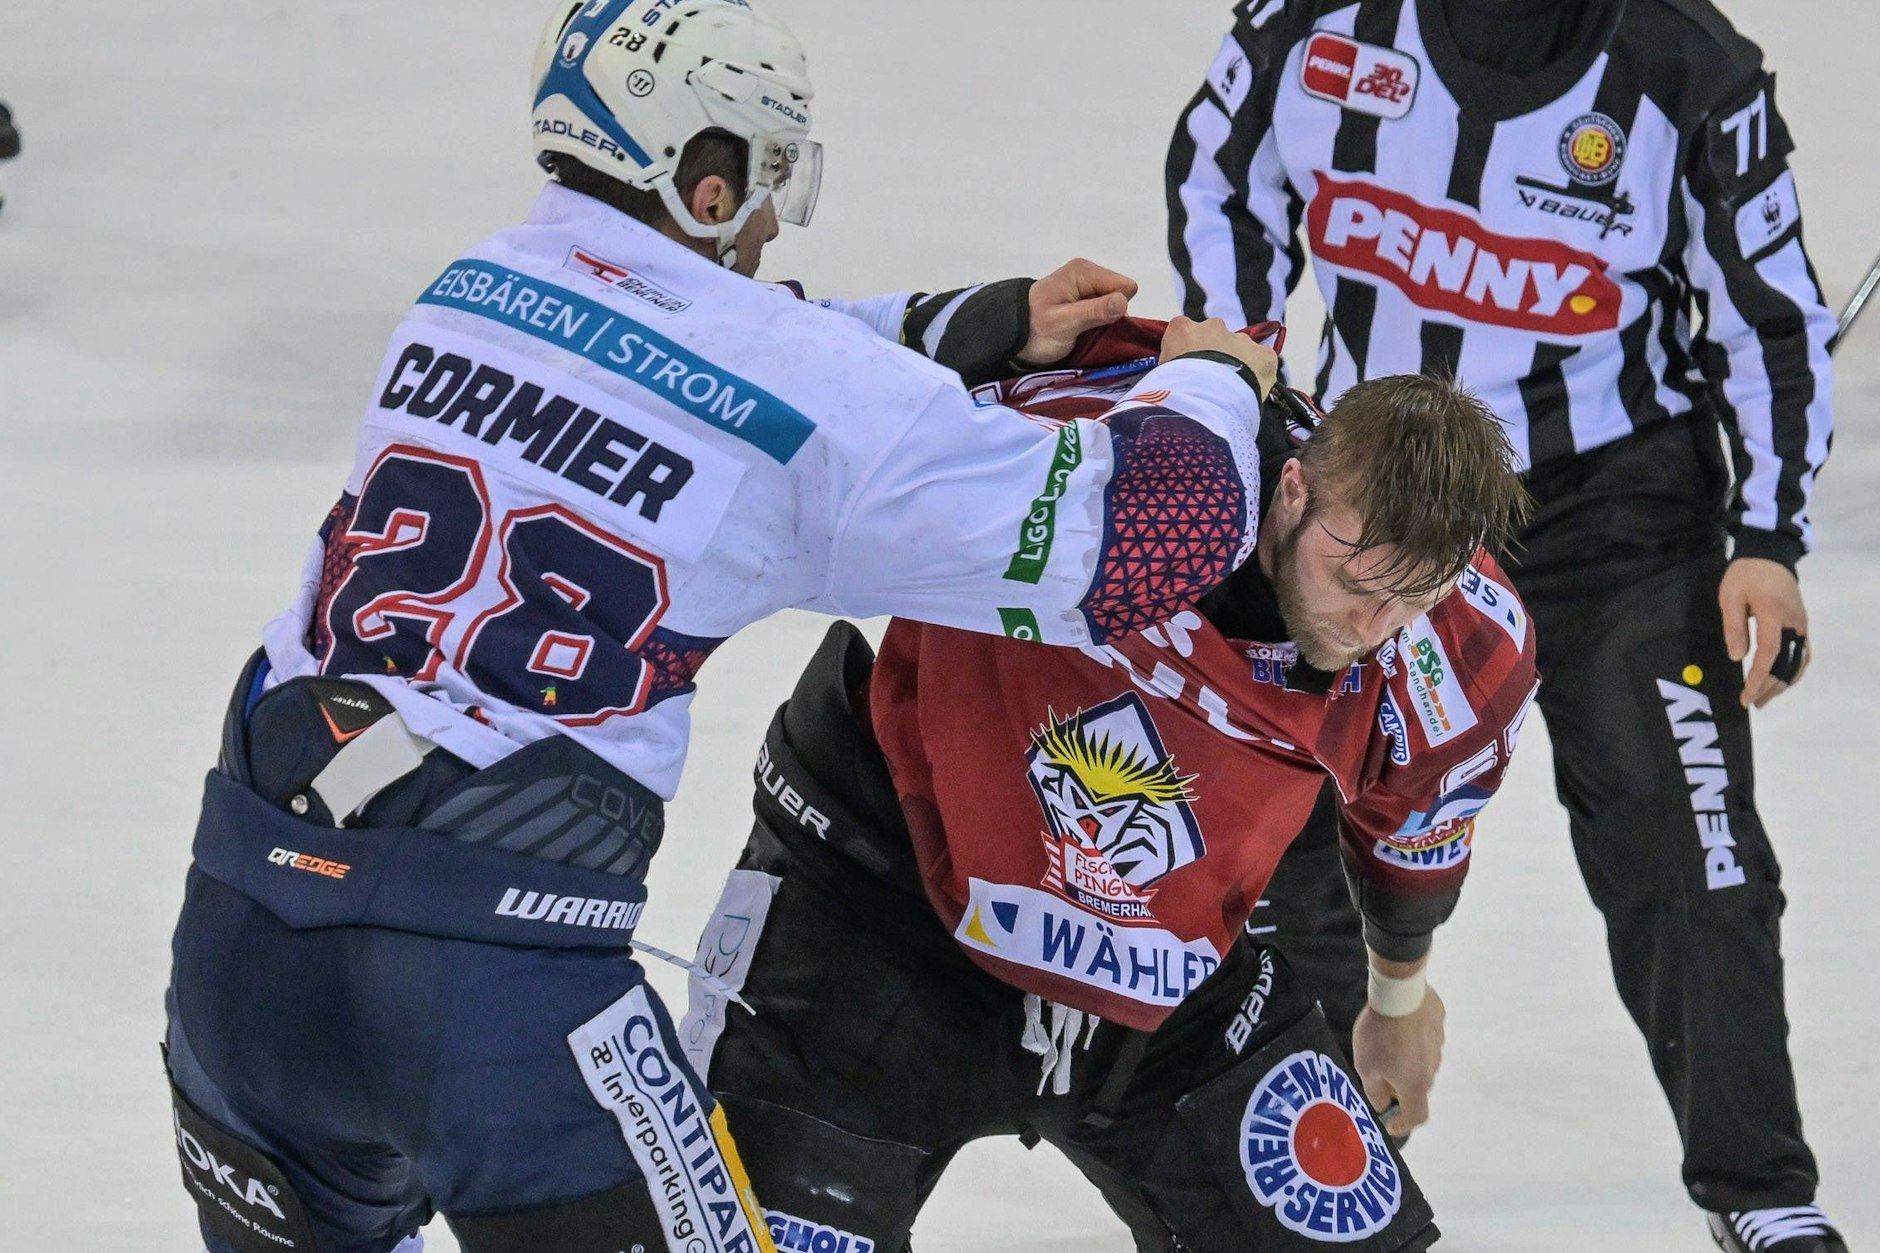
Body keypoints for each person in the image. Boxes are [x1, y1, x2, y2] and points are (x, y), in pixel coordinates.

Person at [160, 1, 1289, 1250]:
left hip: (241, 943)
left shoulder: (465, 291)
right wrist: (1212, 379)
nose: (768, 221)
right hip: (489, 996)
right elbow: (1150, 539)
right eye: (766, 176)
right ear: (706, 183)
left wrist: (959, 326)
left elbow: (701, 347)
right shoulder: (798, 391)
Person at [1166, 1, 1842, 1250]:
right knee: (1288, 829)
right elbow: (1221, 181)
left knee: (1686, 840)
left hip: (1614, 516)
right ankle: (1322, 1172)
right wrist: (1240, 385)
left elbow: (1770, 310)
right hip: (1384, 503)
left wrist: (1766, 536)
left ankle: (1759, 1191)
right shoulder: (1312, 24)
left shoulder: (1683, 64)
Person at [677, 329, 1538, 1253]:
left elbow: (1414, 828)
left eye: (1410, 599)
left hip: (1159, 962)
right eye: (1354, 579)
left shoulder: (1460, 654)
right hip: (882, 899)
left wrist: (1398, 1001)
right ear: (1293, 487)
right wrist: (1001, 319)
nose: (1371, 625)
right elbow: (823, 397)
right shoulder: (1092, 448)